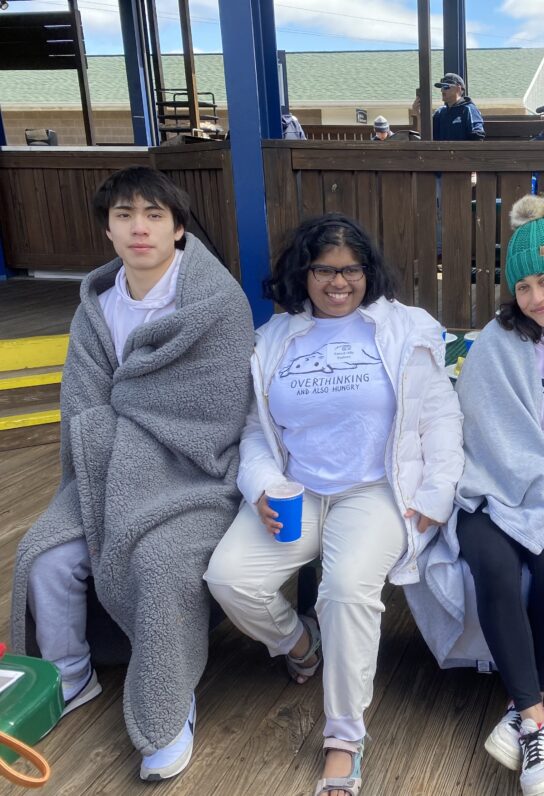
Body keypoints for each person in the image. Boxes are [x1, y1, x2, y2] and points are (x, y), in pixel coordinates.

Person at [203, 213, 463, 796]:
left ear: (368, 273)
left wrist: (435, 494)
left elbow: (441, 415)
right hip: (298, 489)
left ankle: (343, 738)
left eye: (351, 270)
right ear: (305, 272)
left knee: (345, 590)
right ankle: (300, 642)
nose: (338, 282)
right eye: (324, 269)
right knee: (229, 578)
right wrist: (263, 487)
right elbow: (255, 431)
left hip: (375, 489)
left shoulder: (406, 327)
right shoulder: (274, 338)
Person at [9, 166, 253, 781]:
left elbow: (218, 408)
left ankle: (168, 709)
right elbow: (82, 405)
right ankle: (71, 674)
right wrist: (119, 434)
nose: (138, 228)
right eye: (124, 216)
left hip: (192, 475)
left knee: (162, 564)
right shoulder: (95, 308)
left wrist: (136, 426)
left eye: (153, 216)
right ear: (109, 230)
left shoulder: (217, 302)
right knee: (45, 556)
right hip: (104, 469)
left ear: (177, 229)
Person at [403, 194, 544, 796]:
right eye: (523, 287)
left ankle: (523, 714)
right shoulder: (497, 340)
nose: (537, 297)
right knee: (492, 566)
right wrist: (532, 476)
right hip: (490, 484)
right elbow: (488, 429)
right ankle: (538, 720)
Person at [431, 72, 485, 141]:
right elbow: (428, 135)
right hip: (441, 151)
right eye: (441, 87)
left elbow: (478, 137)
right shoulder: (439, 112)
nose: (442, 90)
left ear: (458, 88)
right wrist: (418, 113)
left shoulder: (469, 109)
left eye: (446, 87)